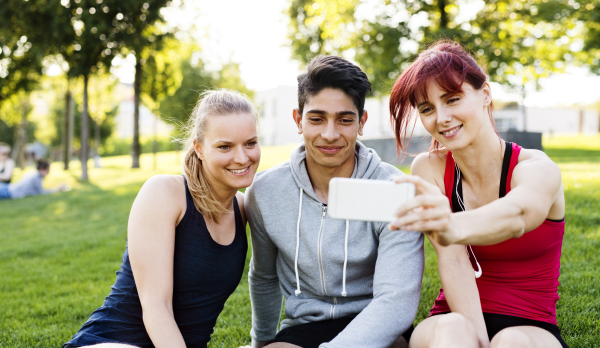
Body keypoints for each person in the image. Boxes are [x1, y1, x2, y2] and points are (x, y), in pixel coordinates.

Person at [387, 40, 567, 348]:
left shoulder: (536, 166)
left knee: (510, 342)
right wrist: (478, 340)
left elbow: (519, 215)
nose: (441, 117)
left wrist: (452, 226)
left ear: (485, 94)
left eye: (452, 99)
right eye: (427, 109)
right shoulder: (428, 168)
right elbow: (454, 259)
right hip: (453, 315)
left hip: (529, 323)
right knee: (455, 332)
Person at [245, 55, 424, 348]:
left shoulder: (394, 189)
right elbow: (263, 277)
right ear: (298, 120)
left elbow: (396, 301)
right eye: (316, 119)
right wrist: (262, 343)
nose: (330, 135)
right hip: (305, 327)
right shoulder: (265, 191)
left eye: (344, 119)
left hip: (375, 324)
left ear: (361, 122)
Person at [62, 89, 260, 348]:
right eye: (225, 146)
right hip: (115, 341)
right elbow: (156, 306)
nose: (242, 157)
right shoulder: (164, 193)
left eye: (250, 143)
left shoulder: (245, 208)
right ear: (199, 148)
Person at [0, 159, 68, 200]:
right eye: (47, 170)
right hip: (9, 192)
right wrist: (57, 189)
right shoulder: (37, 177)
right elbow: (41, 193)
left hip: (8, 188)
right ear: (42, 169)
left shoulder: (34, 174)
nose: (48, 173)